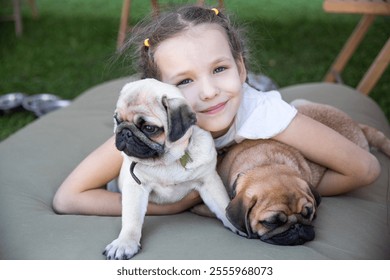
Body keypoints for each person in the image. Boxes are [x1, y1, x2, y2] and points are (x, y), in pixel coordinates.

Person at [52, 5, 380, 217]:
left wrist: (272, 194)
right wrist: (172, 208)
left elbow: (364, 169)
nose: (209, 92)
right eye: (184, 80)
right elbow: (68, 197)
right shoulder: (153, 124)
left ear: (241, 67)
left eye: (220, 69)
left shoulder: (263, 115)